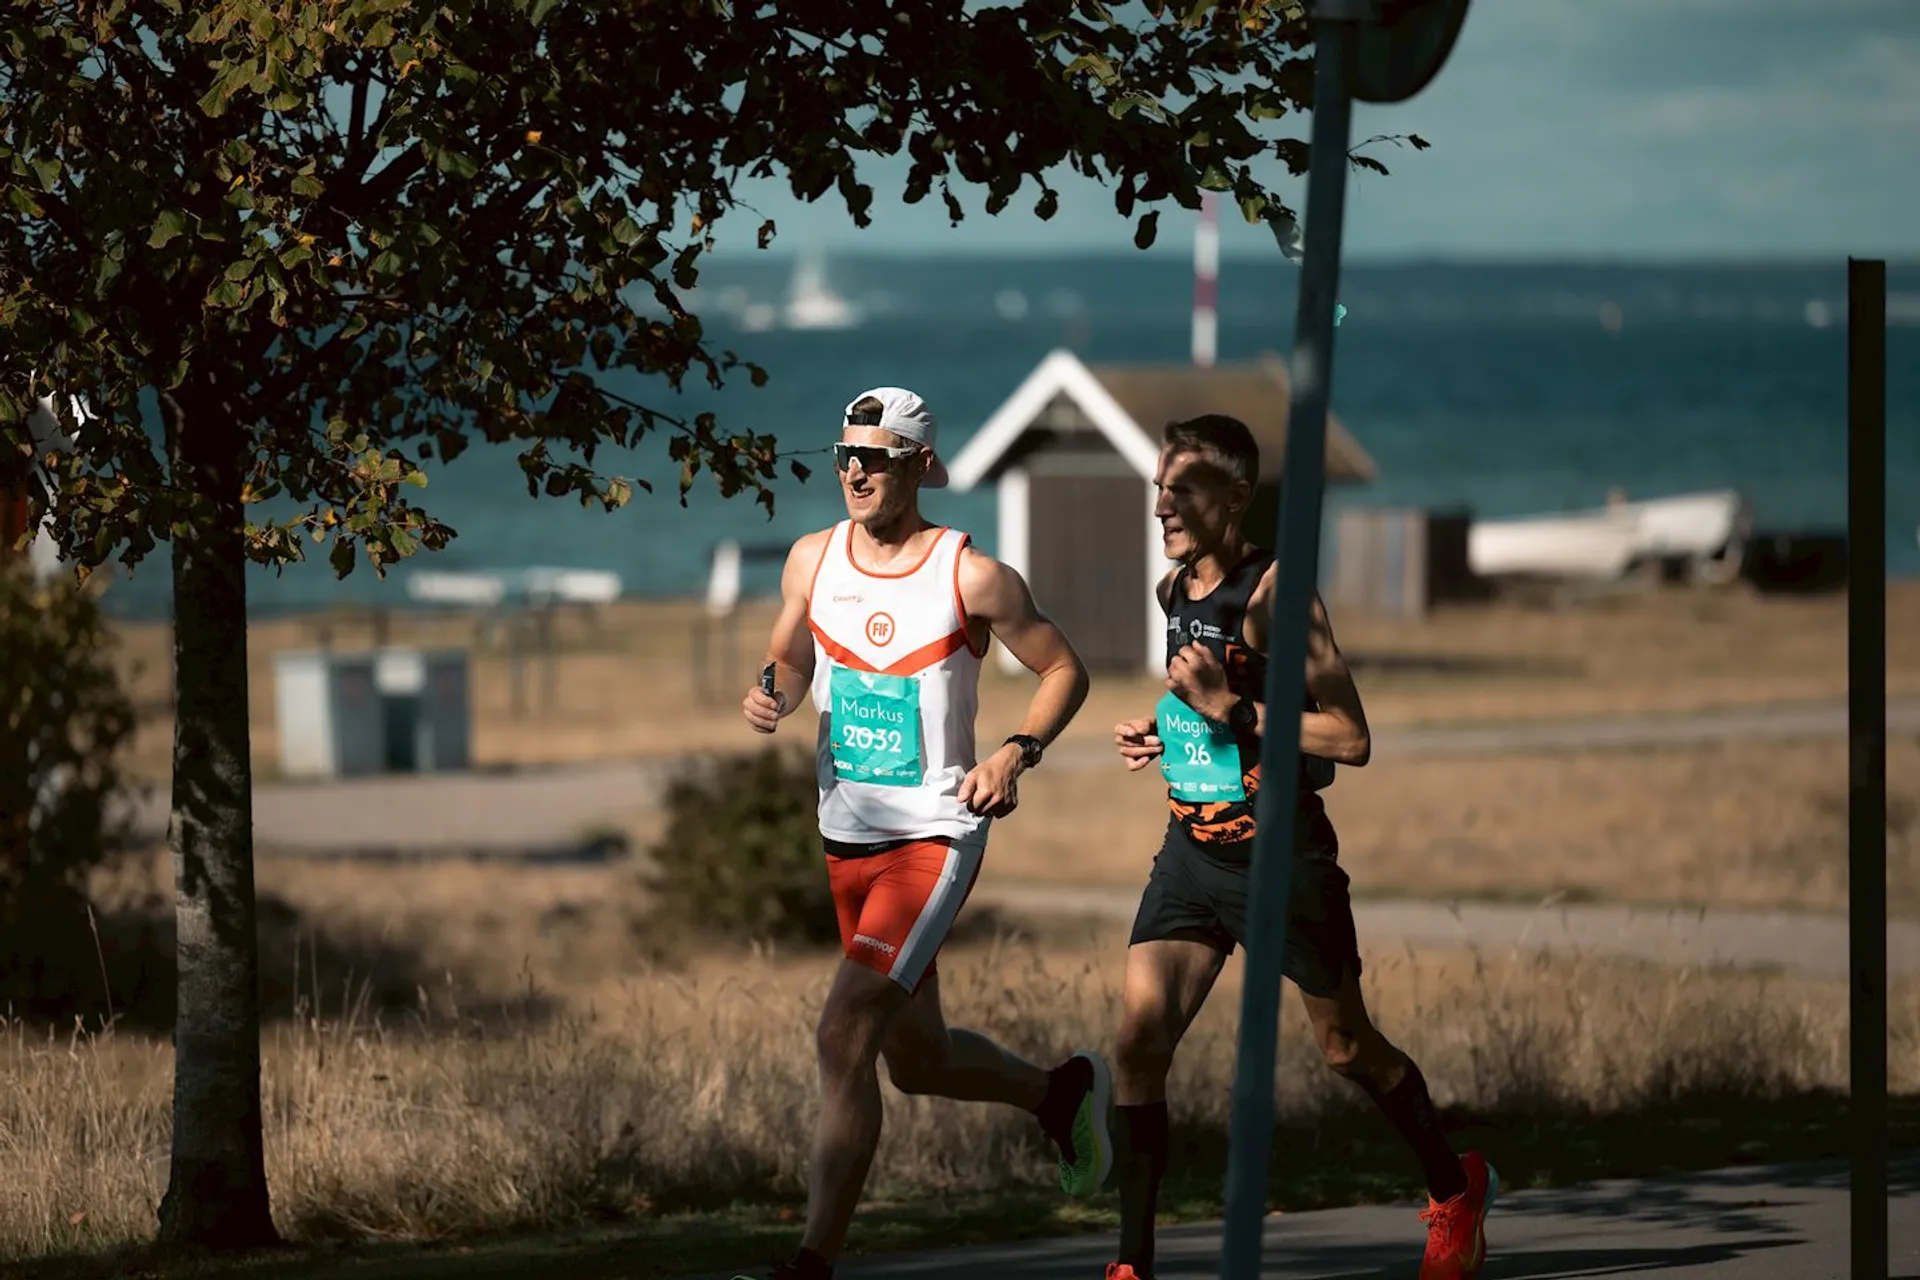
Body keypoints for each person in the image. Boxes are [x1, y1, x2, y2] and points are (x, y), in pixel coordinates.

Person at [1103, 415, 1497, 1280]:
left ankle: (1455, 1187)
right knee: (1136, 1040)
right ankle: (1133, 1264)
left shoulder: (1279, 595)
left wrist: (1230, 712)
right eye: (1158, 487)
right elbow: (1203, 702)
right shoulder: (1174, 593)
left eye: (1184, 490)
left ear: (1236, 498)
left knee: (1346, 1048)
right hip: (1191, 858)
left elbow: (1350, 737)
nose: (1161, 505)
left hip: (1283, 863)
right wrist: (1166, 731)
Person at [736, 386, 1113, 1280]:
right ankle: (1059, 1094)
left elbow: (1065, 668)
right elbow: (792, 654)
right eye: (845, 455)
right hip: (847, 835)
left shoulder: (968, 574)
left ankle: (811, 1261)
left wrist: (1017, 752)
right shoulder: (810, 559)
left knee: (841, 1036)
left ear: (921, 466)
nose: (855, 470)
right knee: (915, 1059)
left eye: (875, 455)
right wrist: (772, 693)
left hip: (937, 837)